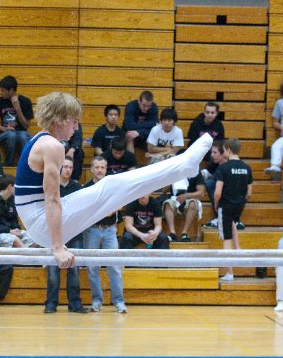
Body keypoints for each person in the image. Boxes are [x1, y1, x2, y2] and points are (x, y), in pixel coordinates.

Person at [14, 91, 213, 268]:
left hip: (38, 221)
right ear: (61, 119)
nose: (76, 128)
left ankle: (184, 166)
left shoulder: (38, 139)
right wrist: (57, 247)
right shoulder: (52, 146)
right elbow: (51, 199)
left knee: (111, 188)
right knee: (112, 187)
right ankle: (185, 165)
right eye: (75, 121)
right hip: (41, 222)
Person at [81, 156, 126, 313]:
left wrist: (111, 210)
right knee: (92, 267)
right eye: (97, 167)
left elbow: (121, 204)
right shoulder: (86, 188)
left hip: (109, 231)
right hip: (91, 230)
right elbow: (86, 210)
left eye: (103, 167)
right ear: (91, 169)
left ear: (106, 170)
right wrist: (103, 210)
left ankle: (119, 301)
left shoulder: (112, 186)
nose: (100, 170)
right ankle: (96, 301)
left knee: (114, 267)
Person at [44, 157, 88, 314]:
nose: (68, 170)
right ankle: (50, 304)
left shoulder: (77, 187)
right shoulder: (51, 186)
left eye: (70, 167)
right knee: (53, 272)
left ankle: (75, 304)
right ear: (59, 168)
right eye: (65, 167)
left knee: (74, 271)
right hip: (54, 235)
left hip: (74, 234)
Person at [214, 138, 252, 281]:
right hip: (239, 205)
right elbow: (249, 192)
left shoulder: (223, 168)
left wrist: (216, 203)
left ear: (228, 150)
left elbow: (217, 192)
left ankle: (229, 272)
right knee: (232, 223)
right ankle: (238, 248)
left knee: (226, 238)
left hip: (226, 204)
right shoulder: (247, 167)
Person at [0, 75, 33, 166]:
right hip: (5, 133)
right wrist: (4, 129)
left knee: (22, 136)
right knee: (11, 135)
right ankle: (8, 164)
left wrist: (17, 108)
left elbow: (26, 126)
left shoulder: (25, 101)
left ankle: (25, 165)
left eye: (3, 91)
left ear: (12, 90)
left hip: (22, 132)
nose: (0, 93)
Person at [0, 174, 33, 248]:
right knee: (15, 240)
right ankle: (29, 257)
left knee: (33, 237)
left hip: (10, 232)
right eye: (15, 186)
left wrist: (16, 229)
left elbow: (13, 219)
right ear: (10, 186)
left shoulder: (11, 200)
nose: (16, 188)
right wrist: (9, 231)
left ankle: (28, 255)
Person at [163, 172, 205, 242]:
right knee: (168, 203)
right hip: (175, 199)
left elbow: (201, 193)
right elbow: (163, 190)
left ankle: (184, 232)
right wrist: (172, 178)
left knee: (193, 203)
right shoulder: (173, 171)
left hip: (190, 198)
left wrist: (186, 196)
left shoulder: (196, 172)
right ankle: (172, 233)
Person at [201, 140, 226, 229]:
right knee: (209, 183)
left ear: (223, 154)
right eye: (212, 152)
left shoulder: (229, 166)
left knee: (211, 183)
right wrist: (203, 174)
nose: (211, 155)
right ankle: (219, 216)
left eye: (215, 152)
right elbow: (207, 171)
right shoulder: (216, 163)